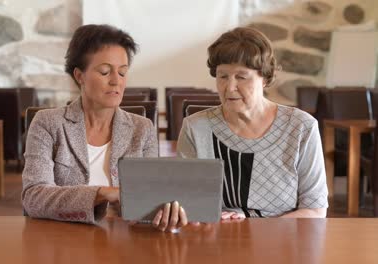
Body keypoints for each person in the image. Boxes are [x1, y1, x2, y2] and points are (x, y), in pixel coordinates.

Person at [22, 24, 187, 231]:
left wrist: (167, 210)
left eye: (123, 72)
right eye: (105, 71)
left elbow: (150, 198)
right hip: (61, 238)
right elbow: (33, 197)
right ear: (79, 76)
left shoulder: (142, 129)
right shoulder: (48, 123)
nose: (116, 81)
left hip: (124, 243)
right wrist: (102, 193)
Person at [177, 27, 328, 219]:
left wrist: (255, 231)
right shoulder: (195, 127)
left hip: (284, 241)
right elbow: (185, 202)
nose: (230, 87)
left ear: (264, 78)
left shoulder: (301, 127)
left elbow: (315, 210)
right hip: (219, 242)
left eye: (241, 77)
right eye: (223, 76)